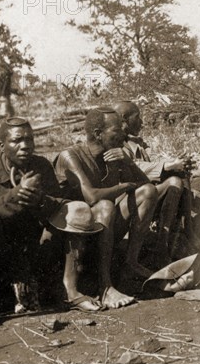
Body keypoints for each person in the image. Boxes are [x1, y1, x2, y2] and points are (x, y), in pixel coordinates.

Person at [0, 118, 101, 328]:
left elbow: (59, 203)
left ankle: (71, 291)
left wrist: (42, 201)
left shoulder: (41, 166)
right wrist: (16, 195)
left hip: (33, 249)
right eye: (17, 140)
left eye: (29, 139)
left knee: (75, 210)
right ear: (2, 145)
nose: (25, 146)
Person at [55, 107, 158, 305]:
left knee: (147, 193)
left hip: (103, 231)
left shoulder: (112, 155)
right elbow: (91, 196)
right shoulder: (70, 156)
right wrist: (124, 186)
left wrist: (128, 163)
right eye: (117, 130)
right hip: (72, 240)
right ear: (98, 134)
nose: (123, 134)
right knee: (105, 206)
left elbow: (146, 186)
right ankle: (105, 287)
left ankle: (131, 263)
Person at [112, 101, 195, 264]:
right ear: (124, 119)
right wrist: (168, 165)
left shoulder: (138, 142)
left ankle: (181, 233)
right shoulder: (114, 143)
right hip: (126, 202)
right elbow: (134, 167)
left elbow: (155, 158)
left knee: (179, 176)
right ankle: (162, 243)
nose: (142, 122)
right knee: (173, 181)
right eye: (137, 117)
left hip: (144, 195)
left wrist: (176, 161)